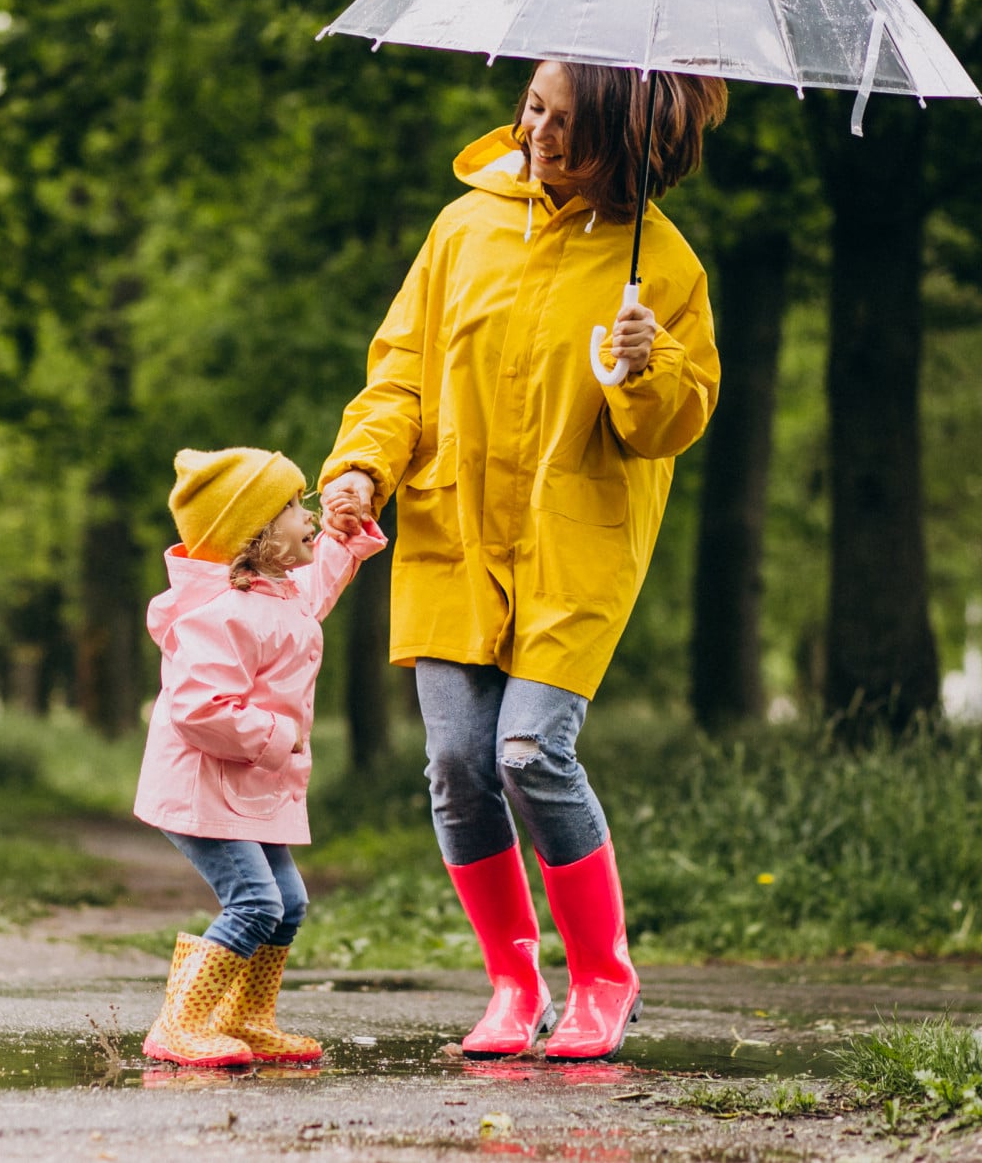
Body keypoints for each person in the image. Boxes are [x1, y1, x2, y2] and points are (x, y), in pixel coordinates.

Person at [318, 60, 727, 1062]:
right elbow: (400, 377)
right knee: (458, 768)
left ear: (621, 140)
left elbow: (669, 427)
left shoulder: (663, 267)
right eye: (533, 109)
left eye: (567, 123)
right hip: (453, 536)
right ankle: (512, 981)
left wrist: (648, 367)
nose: (539, 132)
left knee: (529, 752)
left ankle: (603, 977)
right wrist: (361, 467)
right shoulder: (462, 229)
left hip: (571, 545)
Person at [134, 447, 387, 1067]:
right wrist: (278, 734)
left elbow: (317, 586)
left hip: (245, 787)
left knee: (288, 905)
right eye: (294, 506)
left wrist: (343, 538)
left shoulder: (280, 594)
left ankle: (245, 1018)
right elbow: (197, 707)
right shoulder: (223, 614)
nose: (309, 515)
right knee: (255, 902)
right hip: (201, 787)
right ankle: (178, 1025)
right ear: (257, 536)